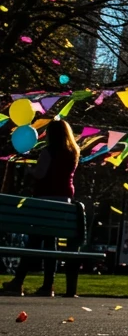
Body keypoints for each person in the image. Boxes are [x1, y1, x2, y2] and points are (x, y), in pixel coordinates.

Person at [2, 120, 81, 298]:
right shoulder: (73, 152)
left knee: (34, 242)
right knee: (50, 243)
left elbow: (40, 174)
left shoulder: (48, 151)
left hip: (46, 197)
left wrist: (29, 169)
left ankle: (18, 282)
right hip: (65, 200)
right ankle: (47, 285)